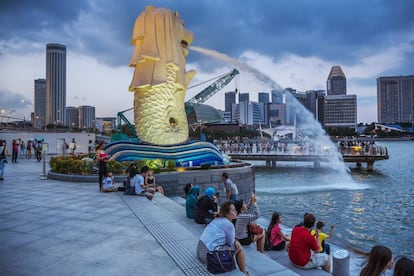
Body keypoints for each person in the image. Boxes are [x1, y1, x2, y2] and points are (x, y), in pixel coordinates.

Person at [196, 201, 249, 275]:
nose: (236, 212)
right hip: (208, 256)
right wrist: (235, 241)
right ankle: (244, 272)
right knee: (239, 247)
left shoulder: (217, 219)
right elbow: (230, 243)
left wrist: (234, 240)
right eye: (233, 210)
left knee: (234, 242)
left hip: (200, 250)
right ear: (227, 214)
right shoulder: (229, 225)